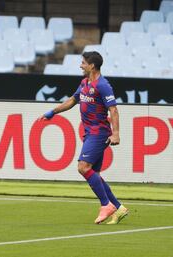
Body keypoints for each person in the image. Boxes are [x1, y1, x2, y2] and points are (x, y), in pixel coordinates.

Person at [38, 51, 128, 224]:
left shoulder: (103, 85)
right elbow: (73, 100)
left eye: (83, 63)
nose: (81, 65)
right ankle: (118, 207)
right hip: (89, 133)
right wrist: (53, 112)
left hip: (98, 133)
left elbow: (114, 110)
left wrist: (116, 133)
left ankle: (106, 205)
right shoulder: (85, 83)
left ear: (92, 66)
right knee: (94, 173)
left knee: (83, 167)